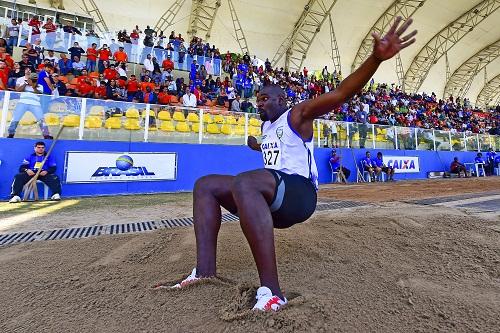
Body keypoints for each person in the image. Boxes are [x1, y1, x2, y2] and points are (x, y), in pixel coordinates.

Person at [156, 17, 417, 311]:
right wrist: (258, 146)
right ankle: (204, 272)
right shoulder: (268, 128)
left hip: (300, 196)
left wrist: (375, 59)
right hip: (274, 195)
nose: (260, 103)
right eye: (258, 99)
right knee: (206, 185)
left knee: (246, 180)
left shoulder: (297, 115)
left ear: (283, 100)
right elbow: (275, 152)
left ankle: (273, 292)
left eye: (266, 98)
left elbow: (342, 93)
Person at [7, 69, 52, 139]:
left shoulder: (40, 86)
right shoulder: (24, 85)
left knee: (41, 119)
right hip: (22, 102)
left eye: (35, 80)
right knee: (15, 118)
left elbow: (40, 94)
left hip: (35, 104)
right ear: (29, 79)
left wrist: (34, 86)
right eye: (32, 79)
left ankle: (46, 134)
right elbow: (17, 90)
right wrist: (26, 84)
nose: (34, 81)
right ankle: (11, 133)